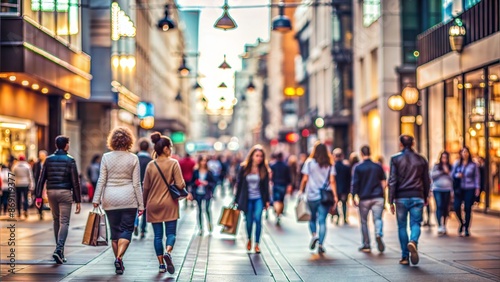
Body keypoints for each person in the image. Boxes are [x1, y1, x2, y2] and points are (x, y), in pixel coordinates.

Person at [92, 127, 144, 275]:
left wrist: (96, 199)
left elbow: (101, 180)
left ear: (112, 141)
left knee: (114, 232)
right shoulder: (133, 158)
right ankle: (119, 258)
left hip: (110, 199)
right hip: (129, 199)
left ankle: (118, 260)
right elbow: (136, 184)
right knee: (127, 230)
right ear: (129, 141)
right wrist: (141, 204)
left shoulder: (106, 157)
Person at [143, 132, 191, 274]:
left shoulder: (151, 165)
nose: (171, 149)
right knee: (171, 233)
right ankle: (168, 252)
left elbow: (145, 187)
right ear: (165, 149)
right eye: (170, 147)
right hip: (170, 203)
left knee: (157, 236)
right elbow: (180, 185)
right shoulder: (173, 163)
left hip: (153, 204)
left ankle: (161, 265)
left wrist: (142, 204)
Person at [35, 136, 81, 264]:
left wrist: (38, 196)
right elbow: (75, 182)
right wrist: (78, 200)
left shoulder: (48, 160)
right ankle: (59, 249)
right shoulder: (70, 160)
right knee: (64, 222)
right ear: (66, 145)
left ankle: (58, 251)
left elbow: (41, 179)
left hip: (51, 192)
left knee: (56, 220)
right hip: (65, 192)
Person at [388, 135, 430, 266]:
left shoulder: (395, 159)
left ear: (400, 144)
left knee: (401, 226)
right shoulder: (421, 159)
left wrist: (390, 200)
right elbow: (426, 180)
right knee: (416, 223)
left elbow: (393, 180)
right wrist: (426, 196)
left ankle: (405, 256)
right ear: (413, 143)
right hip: (417, 195)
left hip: (401, 197)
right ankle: (413, 241)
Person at [299, 142, 338, 254]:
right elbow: (332, 181)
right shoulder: (330, 164)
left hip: (312, 195)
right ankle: (321, 244)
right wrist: (335, 196)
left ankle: (314, 235)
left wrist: (301, 190)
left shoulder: (309, 163)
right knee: (322, 221)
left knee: (312, 218)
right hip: (325, 197)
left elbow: (305, 179)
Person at [234, 144, 271, 254]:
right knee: (249, 221)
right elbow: (239, 185)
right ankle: (249, 238)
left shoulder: (264, 169)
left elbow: (266, 187)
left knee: (258, 219)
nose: (259, 158)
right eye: (257, 155)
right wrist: (236, 200)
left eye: (261, 156)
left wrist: (267, 200)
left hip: (259, 198)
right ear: (252, 156)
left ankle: (257, 244)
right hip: (247, 199)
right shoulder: (244, 168)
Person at [351, 145, 386, 253]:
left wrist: (353, 196)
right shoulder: (377, 166)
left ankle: (366, 244)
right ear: (370, 153)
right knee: (378, 219)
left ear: (361, 154)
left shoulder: (358, 167)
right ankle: (378, 233)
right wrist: (382, 192)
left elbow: (355, 183)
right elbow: (384, 182)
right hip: (378, 197)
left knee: (364, 222)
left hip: (364, 198)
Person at [451, 147, 480, 237]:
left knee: (467, 208)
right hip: (459, 188)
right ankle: (462, 223)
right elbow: (452, 175)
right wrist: (457, 175)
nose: (465, 154)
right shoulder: (457, 163)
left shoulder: (473, 165)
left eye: (466, 152)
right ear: (460, 153)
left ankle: (467, 228)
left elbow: (477, 177)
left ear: (468, 153)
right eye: (463, 152)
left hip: (470, 188)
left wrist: (477, 188)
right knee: (456, 207)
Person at [190, 155, 217, 235]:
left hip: (207, 193)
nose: (203, 162)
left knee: (207, 209)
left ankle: (209, 224)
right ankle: (201, 227)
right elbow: (191, 182)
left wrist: (207, 183)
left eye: (205, 161)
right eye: (202, 160)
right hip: (198, 193)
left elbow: (214, 183)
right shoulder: (195, 171)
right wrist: (196, 183)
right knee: (199, 210)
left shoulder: (209, 172)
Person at [431, 151, 453, 236]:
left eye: (446, 157)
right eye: (443, 157)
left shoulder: (450, 167)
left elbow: (454, 178)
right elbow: (432, 175)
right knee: (439, 205)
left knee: (445, 207)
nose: (444, 159)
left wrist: (448, 172)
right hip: (437, 189)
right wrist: (441, 172)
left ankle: (444, 224)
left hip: (447, 189)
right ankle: (439, 225)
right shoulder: (436, 166)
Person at [134, 138, 153, 239]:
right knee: (144, 208)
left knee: (135, 207)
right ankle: (143, 229)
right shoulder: (151, 161)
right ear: (149, 148)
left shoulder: (134, 158)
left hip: (134, 186)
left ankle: (135, 223)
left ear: (139, 147)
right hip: (146, 187)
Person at [270, 152, 291, 225]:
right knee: (281, 200)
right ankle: (279, 214)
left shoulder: (273, 165)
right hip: (283, 185)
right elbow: (289, 177)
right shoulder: (286, 166)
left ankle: (277, 212)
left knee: (276, 200)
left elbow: (271, 176)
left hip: (276, 184)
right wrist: (289, 185)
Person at [332, 148, 351, 225]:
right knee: (344, 203)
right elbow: (349, 179)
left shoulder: (333, 167)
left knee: (336, 203)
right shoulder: (346, 167)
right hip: (344, 189)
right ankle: (345, 218)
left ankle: (337, 217)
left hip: (335, 189)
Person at [33, 150, 48, 220]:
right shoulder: (37, 163)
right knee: (39, 196)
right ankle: (40, 211)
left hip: (47, 182)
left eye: (42, 155)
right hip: (39, 182)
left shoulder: (48, 162)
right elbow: (34, 172)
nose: (40, 156)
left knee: (47, 196)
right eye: (40, 155)